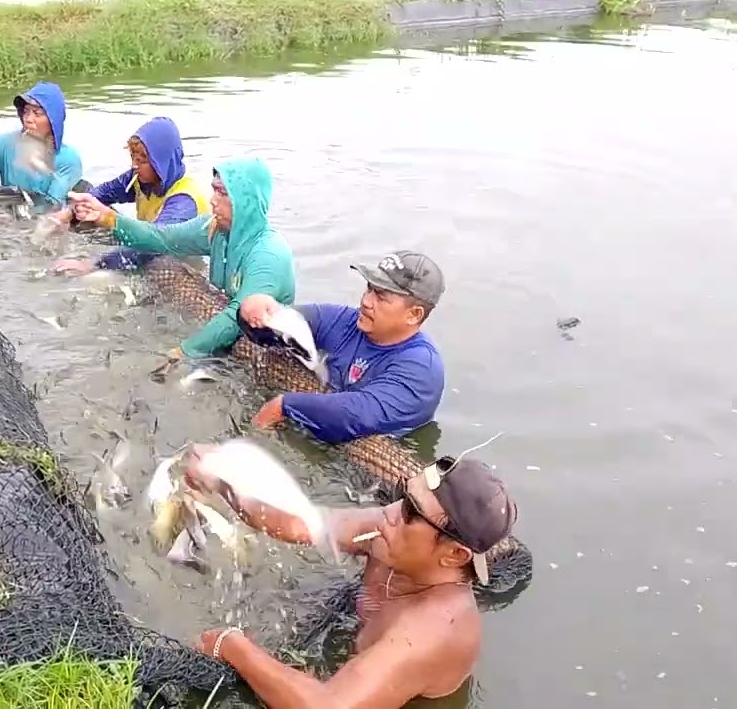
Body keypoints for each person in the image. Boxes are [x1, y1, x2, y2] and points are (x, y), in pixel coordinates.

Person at [183, 445, 518, 709]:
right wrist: (225, 481)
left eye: (411, 513)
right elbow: (303, 522)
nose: (390, 512)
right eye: (404, 495)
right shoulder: (390, 533)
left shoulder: (434, 630)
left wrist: (230, 644)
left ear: (455, 555)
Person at [64, 156, 294, 361]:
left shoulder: (267, 255)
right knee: (162, 265)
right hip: (225, 320)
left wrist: (182, 353)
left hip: (267, 346)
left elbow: (234, 319)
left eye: (223, 193)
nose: (213, 200)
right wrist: (107, 217)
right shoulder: (215, 230)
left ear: (247, 200)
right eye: (214, 190)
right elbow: (159, 238)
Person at [236, 250, 446, 444]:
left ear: (413, 315)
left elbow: (359, 414)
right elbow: (284, 324)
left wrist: (285, 405)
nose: (366, 301)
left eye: (381, 297)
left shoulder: (421, 367)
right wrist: (255, 312)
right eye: (369, 289)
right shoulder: (347, 321)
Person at [49, 116, 210, 275]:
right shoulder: (140, 178)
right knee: (85, 197)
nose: (134, 165)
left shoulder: (184, 200)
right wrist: (68, 213)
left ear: (161, 162)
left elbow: (155, 245)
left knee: (154, 265)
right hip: (145, 242)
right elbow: (104, 192)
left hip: (174, 264)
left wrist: (94, 263)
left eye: (141, 160)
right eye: (133, 158)